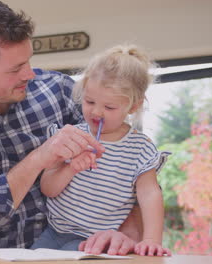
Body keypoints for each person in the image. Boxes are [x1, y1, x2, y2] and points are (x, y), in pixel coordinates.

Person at [0, 0, 140, 254]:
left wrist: (126, 233)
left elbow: (133, 165)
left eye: (28, 61)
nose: (30, 74)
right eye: (15, 69)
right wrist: (38, 158)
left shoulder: (59, 90)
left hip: (79, 252)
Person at [31, 44, 172, 256]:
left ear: (133, 106)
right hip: (53, 232)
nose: (96, 112)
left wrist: (151, 240)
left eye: (109, 107)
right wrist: (70, 169)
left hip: (94, 241)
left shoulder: (140, 149)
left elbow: (150, 194)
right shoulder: (69, 137)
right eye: (89, 101)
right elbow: (48, 189)